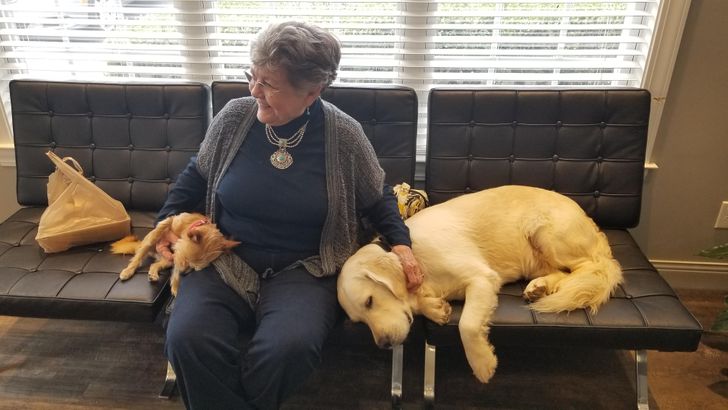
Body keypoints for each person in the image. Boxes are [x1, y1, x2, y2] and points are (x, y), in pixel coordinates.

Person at [159, 20, 422, 410]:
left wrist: (402, 244)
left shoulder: (344, 135)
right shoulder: (234, 118)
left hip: (307, 268)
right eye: (252, 76)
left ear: (312, 91)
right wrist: (167, 224)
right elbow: (197, 173)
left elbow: (376, 196)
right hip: (224, 258)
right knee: (187, 339)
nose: (254, 91)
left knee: (288, 349)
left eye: (269, 84)